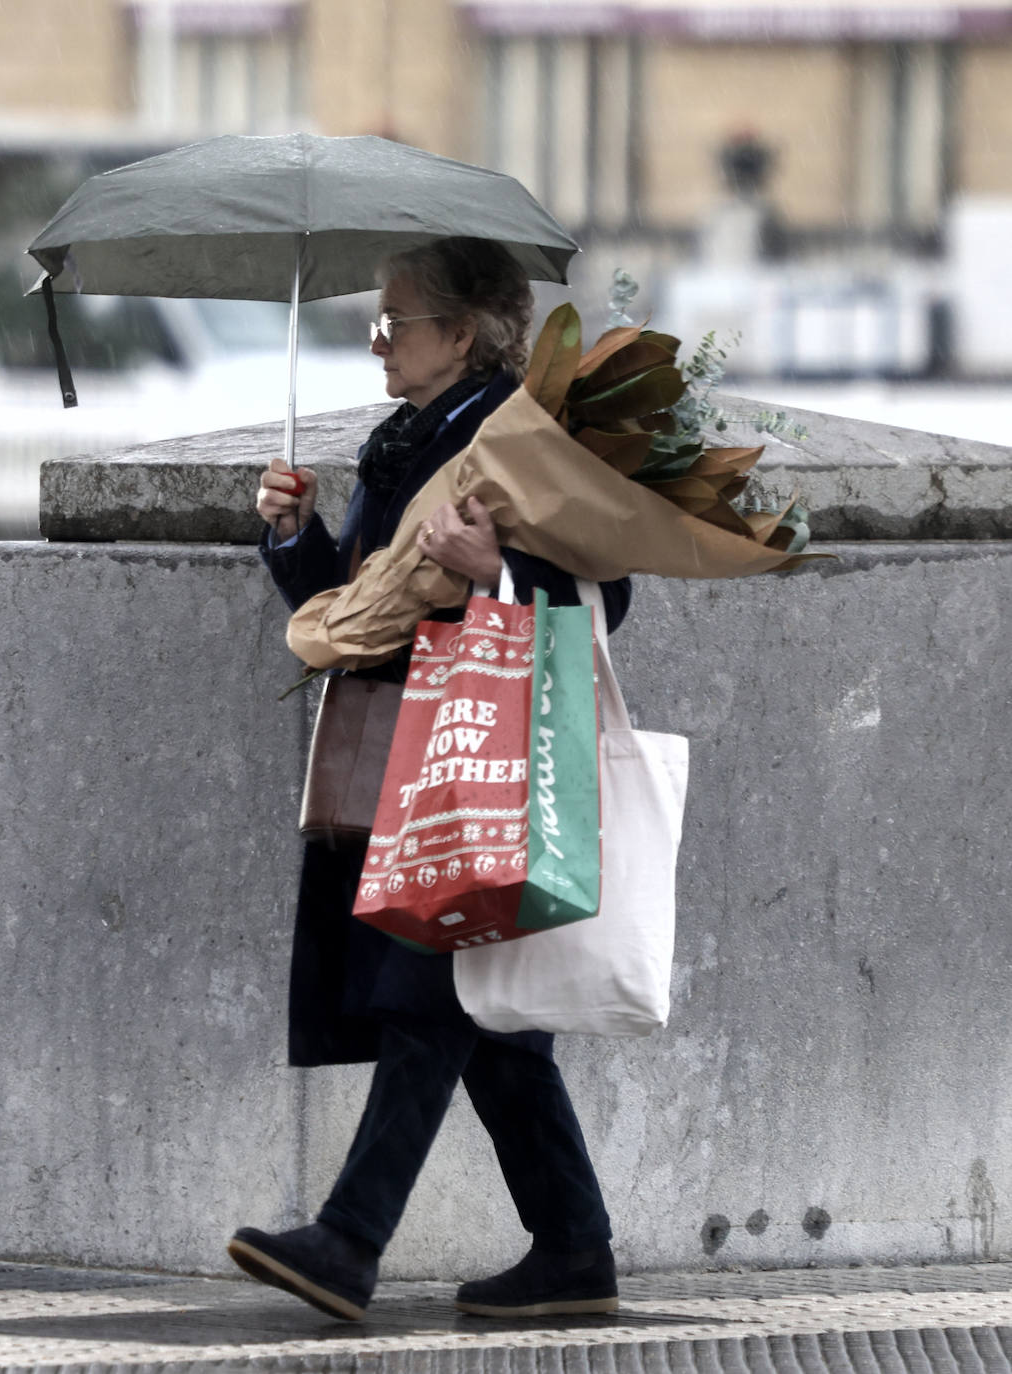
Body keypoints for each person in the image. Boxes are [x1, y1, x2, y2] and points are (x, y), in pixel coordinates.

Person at [230, 237, 632, 1322]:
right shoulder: (404, 439)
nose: (377, 342)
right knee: (485, 1014)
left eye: (396, 322)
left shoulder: (523, 438)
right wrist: (293, 537)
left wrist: (490, 573)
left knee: (433, 992)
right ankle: (574, 1247)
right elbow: (357, 611)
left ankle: (349, 1242)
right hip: (408, 743)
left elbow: (608, 590)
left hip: (473, 746)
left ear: (462, 333)